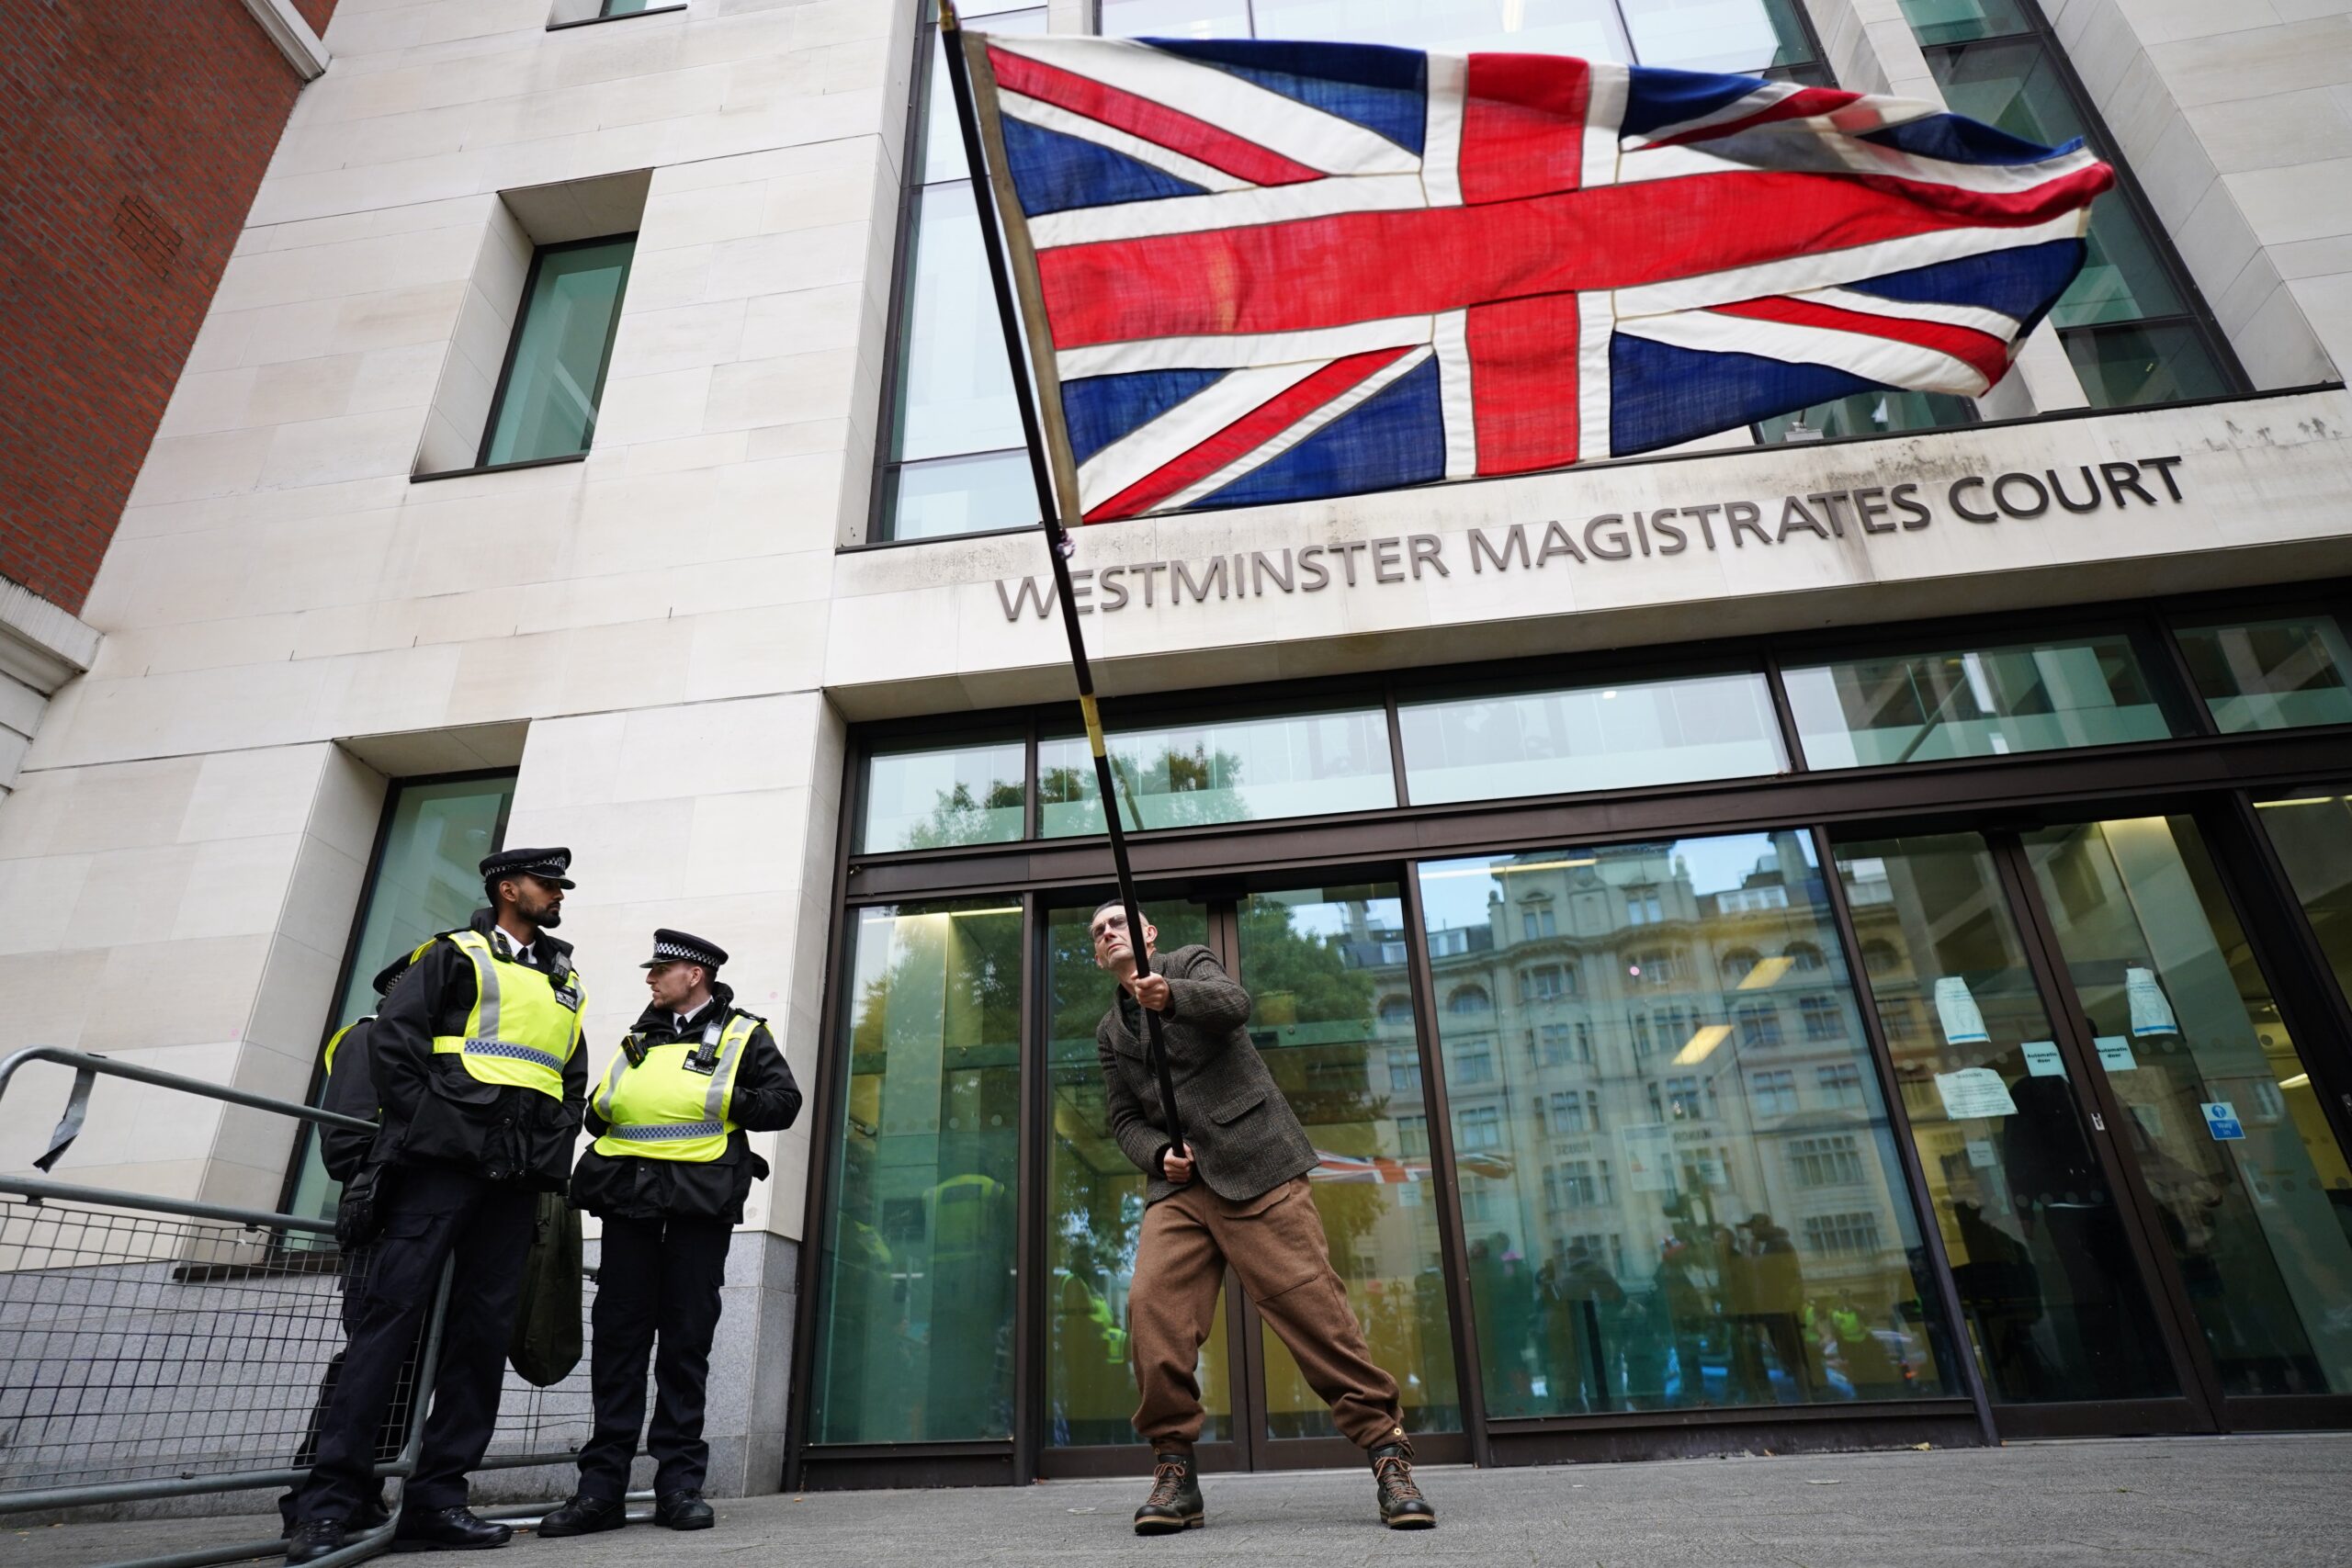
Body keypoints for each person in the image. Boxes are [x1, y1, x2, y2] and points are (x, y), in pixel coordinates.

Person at [1090, 899, 1435, 1534]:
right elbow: (1123, 1120)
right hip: (1180, 1190)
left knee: (1315, 1314)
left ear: (1147, 933)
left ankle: (1388, 1453)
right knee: (1150, 1309)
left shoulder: (1188, 964)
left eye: (1118, 923)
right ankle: (1175, 1471)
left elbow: (1233, 1005)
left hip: (1258, 1166)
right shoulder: (1110, 1031)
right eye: (1097, 931)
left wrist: (1171, 997)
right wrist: (1157, 1152)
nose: (1108, 932)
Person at [285, 849, 590, 1564]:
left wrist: (548, 1148)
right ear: (508, 888)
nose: (557, 896)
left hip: (514, 1180)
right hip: (441, 1170)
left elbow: (567, 1075)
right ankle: (329, 1505)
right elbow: (397, 1045)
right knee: (387, 1331)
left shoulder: (566, 981)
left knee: (480, 1340)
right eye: (548, 885)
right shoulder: (452, 955)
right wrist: (434, 1132)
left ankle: (438, 1500)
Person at [538, 930, 801, 1537]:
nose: (651, 978)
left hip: (697, 1213)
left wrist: (716, 1097)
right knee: (617, 1348)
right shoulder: (637, 1038)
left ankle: (679, 1486)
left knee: (685, 1348)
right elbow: (600, 1109)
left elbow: (784, 1102)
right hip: (629, 1208)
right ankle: (599, 1491)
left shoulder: (742, 1033)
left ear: (697, 974)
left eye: (663, 969)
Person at [277, 953, 419, 1540]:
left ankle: (363, 1489)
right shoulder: (368, 1039)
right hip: (383, 1224)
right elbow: (348, 1143)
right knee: (370, 1360)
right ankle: (317, 1494)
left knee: (406, 1367)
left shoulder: (407, 1048)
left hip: (407, 1224)